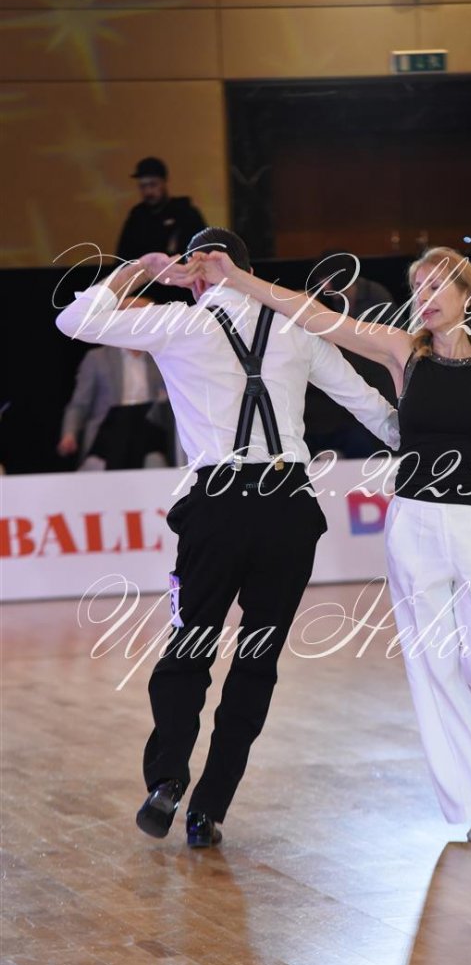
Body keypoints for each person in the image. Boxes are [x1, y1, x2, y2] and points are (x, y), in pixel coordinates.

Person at [56, 228, 400, 849]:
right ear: (245, 269)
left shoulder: (179, 324)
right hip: (289, 510)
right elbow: (369, 405)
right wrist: (434, 447)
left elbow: (74, 320)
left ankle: (167, 778)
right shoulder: (296, 326)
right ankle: (209, 809)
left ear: (198, 273)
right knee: (256, 663)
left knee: (188, 648)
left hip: (216, 508)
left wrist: (138, 268)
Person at [190, 244, 471, 843]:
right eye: (418, 287)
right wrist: (238, 278)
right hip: (413, 526)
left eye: (437, 286)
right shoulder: (404, 352)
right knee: (433, 667)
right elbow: (313, 315)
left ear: (467, 295)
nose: (425, 297)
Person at [304, 251, 399, 458]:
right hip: (361, 375)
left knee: (380, 431)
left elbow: (372, 343)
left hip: (381, 376)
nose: (323, 288)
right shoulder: (340, 301)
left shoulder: (376, 298)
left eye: (326, 281)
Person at [57, 297, 171, 470]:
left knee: (154, 453)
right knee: (122, 421)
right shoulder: (98, 358)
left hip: (149, 434)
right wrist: (69, 433)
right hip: (107, 437)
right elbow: (80, 404)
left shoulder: (162, 358)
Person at [116, 157, 206, 262]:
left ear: (164, 182)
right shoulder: (136, 217)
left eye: (153, 184)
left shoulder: (186, 214)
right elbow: (123, 258)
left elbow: (203, 251)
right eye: (143, 186)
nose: (148, 191)